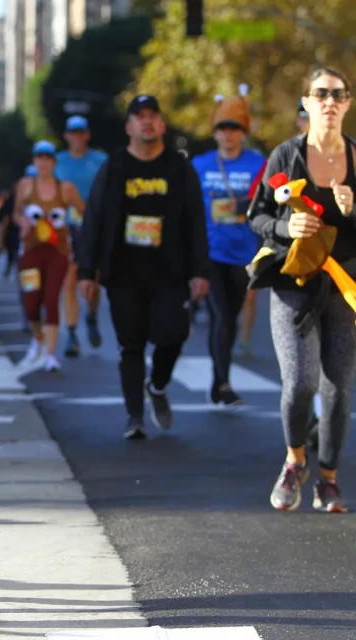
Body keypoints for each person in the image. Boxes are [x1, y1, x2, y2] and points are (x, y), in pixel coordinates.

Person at [247, 68, 355, 513]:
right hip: (294, 285)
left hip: (344, 289)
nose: (329, 101)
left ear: (347, 104)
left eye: (338, 94)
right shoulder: (285, 157)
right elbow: (255, 217)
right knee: (300, 382)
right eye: (320, 94)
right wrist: (285, 226)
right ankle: (294, 461)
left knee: (338, 389)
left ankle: (327, 478)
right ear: (307, 104)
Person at [77, 95, 210, 440]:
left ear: (162, 124)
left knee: (174, 334)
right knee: (131, 345)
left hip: (171, 271)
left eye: (153, 116)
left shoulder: (179, 167)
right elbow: (93, 218)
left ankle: (159, 385)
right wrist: (85, 270)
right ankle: (134, 416)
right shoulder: (115, 166)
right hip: (123, 272)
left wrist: (200, 270)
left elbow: (197, 220)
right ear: (129, 126)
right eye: (140, 117)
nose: (147, 122)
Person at [190, 88, 266, 407]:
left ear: (243, 132)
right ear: (215, 132)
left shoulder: (259, 164)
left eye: (234, 127)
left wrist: (246, 205)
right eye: (223, 127)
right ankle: (223, 383)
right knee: (220, 316)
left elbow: (270, 202)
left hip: (244, 253)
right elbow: (188, 209)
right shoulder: (200, 165)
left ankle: (217, 379)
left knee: (231, 317)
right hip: (211, 254)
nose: (228, 134)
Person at [16, 141, 84, 372]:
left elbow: (85, 210)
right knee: (31, 304)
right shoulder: (25, 186)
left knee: (51, 298)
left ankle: (51, 354)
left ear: (54, 162)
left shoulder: (65, 188)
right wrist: (22, 221)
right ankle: (38, 338)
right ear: (34, 161)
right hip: (31, 251)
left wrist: (73, 225)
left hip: (58, 252)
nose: (43, 163)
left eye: (47, 158)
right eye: (39, 158)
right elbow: (16, 212)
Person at [54, 116, 108, 357]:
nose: (77, 136)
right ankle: (72, 333)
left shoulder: (99, 161)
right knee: (68, 281)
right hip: (66, 230)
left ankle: (92, 316)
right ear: (66, 135)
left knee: (92, 281)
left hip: (93, 228)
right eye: (72, 132)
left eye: (81, 132)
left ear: (87, 135)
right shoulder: (57, 162)